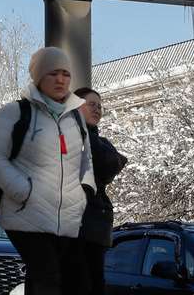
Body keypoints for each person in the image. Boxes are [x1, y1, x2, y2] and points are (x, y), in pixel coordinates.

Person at [0, 47, 94, 295]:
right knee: (47, 276)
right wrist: (23, 190)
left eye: (66, 74)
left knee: (75, 283)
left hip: (67, 216)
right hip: (25, 213)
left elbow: (86, 161)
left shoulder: (76, 117)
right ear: (38, 77)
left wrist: (84, 192)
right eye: (53, 73)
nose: (60, 79)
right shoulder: (15, 112)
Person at [74, 87, 127, 295]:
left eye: (100, 106)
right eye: (91, 104)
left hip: (94, 228)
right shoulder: (72, 136)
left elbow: (111, 164)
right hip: (76, 227)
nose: (97, 109)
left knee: (94, 282)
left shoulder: (96, 140)